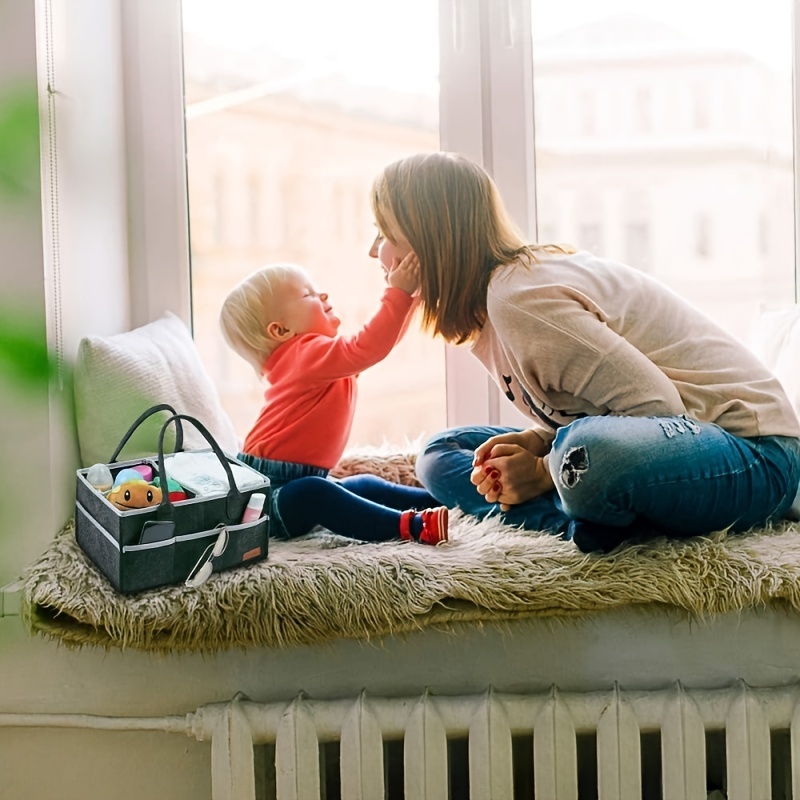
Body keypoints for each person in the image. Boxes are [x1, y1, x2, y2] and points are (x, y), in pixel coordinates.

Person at [368, 150, 800, 554]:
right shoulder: (491, 310)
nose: (374, 251)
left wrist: (540, 471)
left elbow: (659, 409)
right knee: (442, 452)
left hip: (755, 455)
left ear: (431, 241)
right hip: (666, 445)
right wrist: (542, 443)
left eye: (386, 233)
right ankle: (584, 522)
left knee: (585, 453)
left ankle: (583, 512)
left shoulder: (520, 299)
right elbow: (603, 413)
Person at [219, 258, 448, 545]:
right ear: (280, 331)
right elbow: (370, 346)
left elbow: (379, 346)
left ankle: (442, 500)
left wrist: (411, 299)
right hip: (264, 498)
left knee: (361, 485)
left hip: (297, 479)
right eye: (308, 294)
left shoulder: (315, 359)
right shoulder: (305, 356)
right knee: (314, 494)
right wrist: (399, 294)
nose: (322, 295)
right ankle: (410, 526)